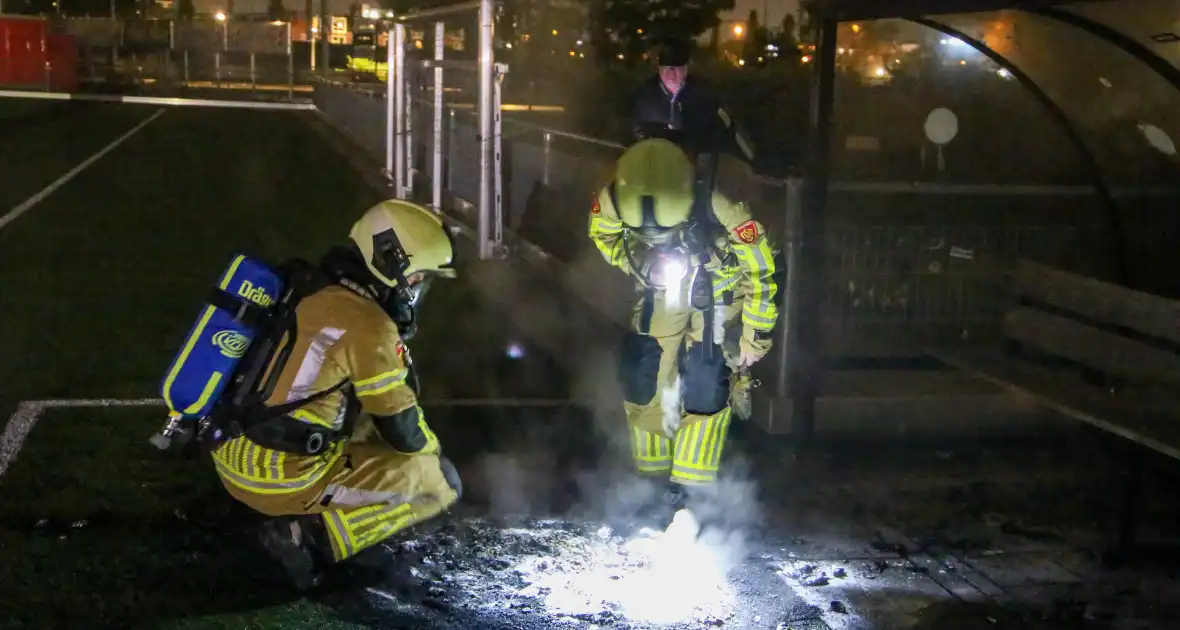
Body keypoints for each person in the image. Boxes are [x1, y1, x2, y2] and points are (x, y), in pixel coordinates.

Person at [207, 199, 463, 590]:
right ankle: (308, 539)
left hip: (228, 451)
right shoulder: (370, 325)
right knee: (438, 480)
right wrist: (432, 450)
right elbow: (404, 431)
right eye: (417, 278)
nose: (416, 289)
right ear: (393, 263)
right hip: (275, 478)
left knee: (359, 425)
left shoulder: (310, 284)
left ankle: (258, 509)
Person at [588, 138, 778, 522]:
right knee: (641, 371)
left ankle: (691, 486)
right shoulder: (613, 201)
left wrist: (755, 333)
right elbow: (605, 237)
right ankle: (653, 476)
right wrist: (642, 260)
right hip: (662, 291)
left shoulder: (721, 208)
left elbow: (761, 268)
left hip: (718, 294)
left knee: (706, 379)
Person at [629, 36, 756, 166]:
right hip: (657, 173)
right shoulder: (646, 96)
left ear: (687, 67)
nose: (671, 75)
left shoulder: (706, 97)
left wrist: (750, 164)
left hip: (699, 171)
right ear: (658, 68)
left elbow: (731, 134)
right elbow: (631, 136)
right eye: (666, 68)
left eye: (676, 68)